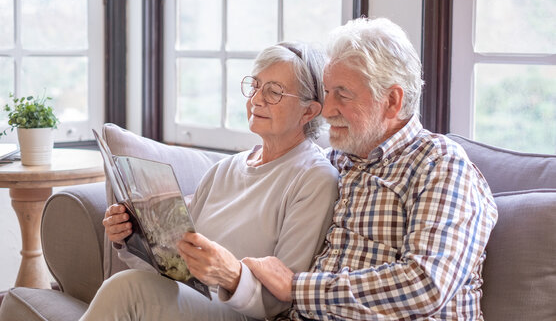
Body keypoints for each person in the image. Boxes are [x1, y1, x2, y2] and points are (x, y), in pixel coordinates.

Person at [243, 17, 498, 320]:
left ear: (392, 100)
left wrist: (296, 287)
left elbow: (425, 285)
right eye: (327, 92)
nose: (326, 109)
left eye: (343, 94)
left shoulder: (440, 165)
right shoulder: (333, 161)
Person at [80, 41, 339, 321]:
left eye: (274, 92)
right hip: (191, 301)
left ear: (309, 111)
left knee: (126, 289)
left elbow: (284, 296)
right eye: (254, 86)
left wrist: (233, 277)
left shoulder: (314, 179)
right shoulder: (224, 169)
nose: (256, 100)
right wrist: (131, 236)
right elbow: (174, 266)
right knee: (129, 286)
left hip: (243, 314)